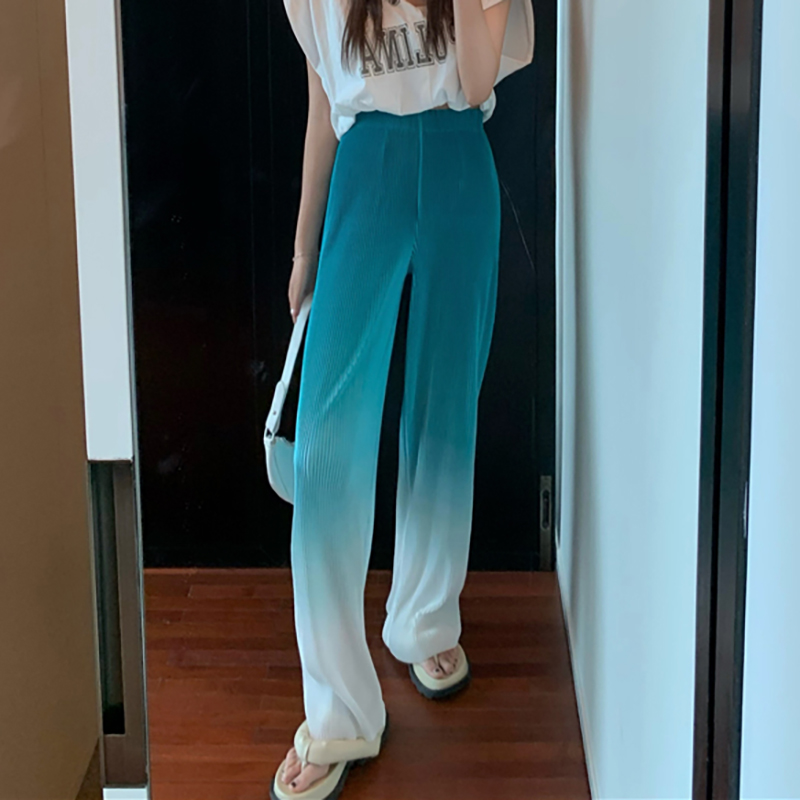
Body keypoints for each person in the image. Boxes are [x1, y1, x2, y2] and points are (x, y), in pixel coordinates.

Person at [271, 0, 534, 797]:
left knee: (445, 412)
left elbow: (478, 80)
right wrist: (305, 248)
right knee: (326, 447)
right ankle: (337, 710)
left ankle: (423, 615)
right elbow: (322, 104)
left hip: (459, 163)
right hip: (366, 171)